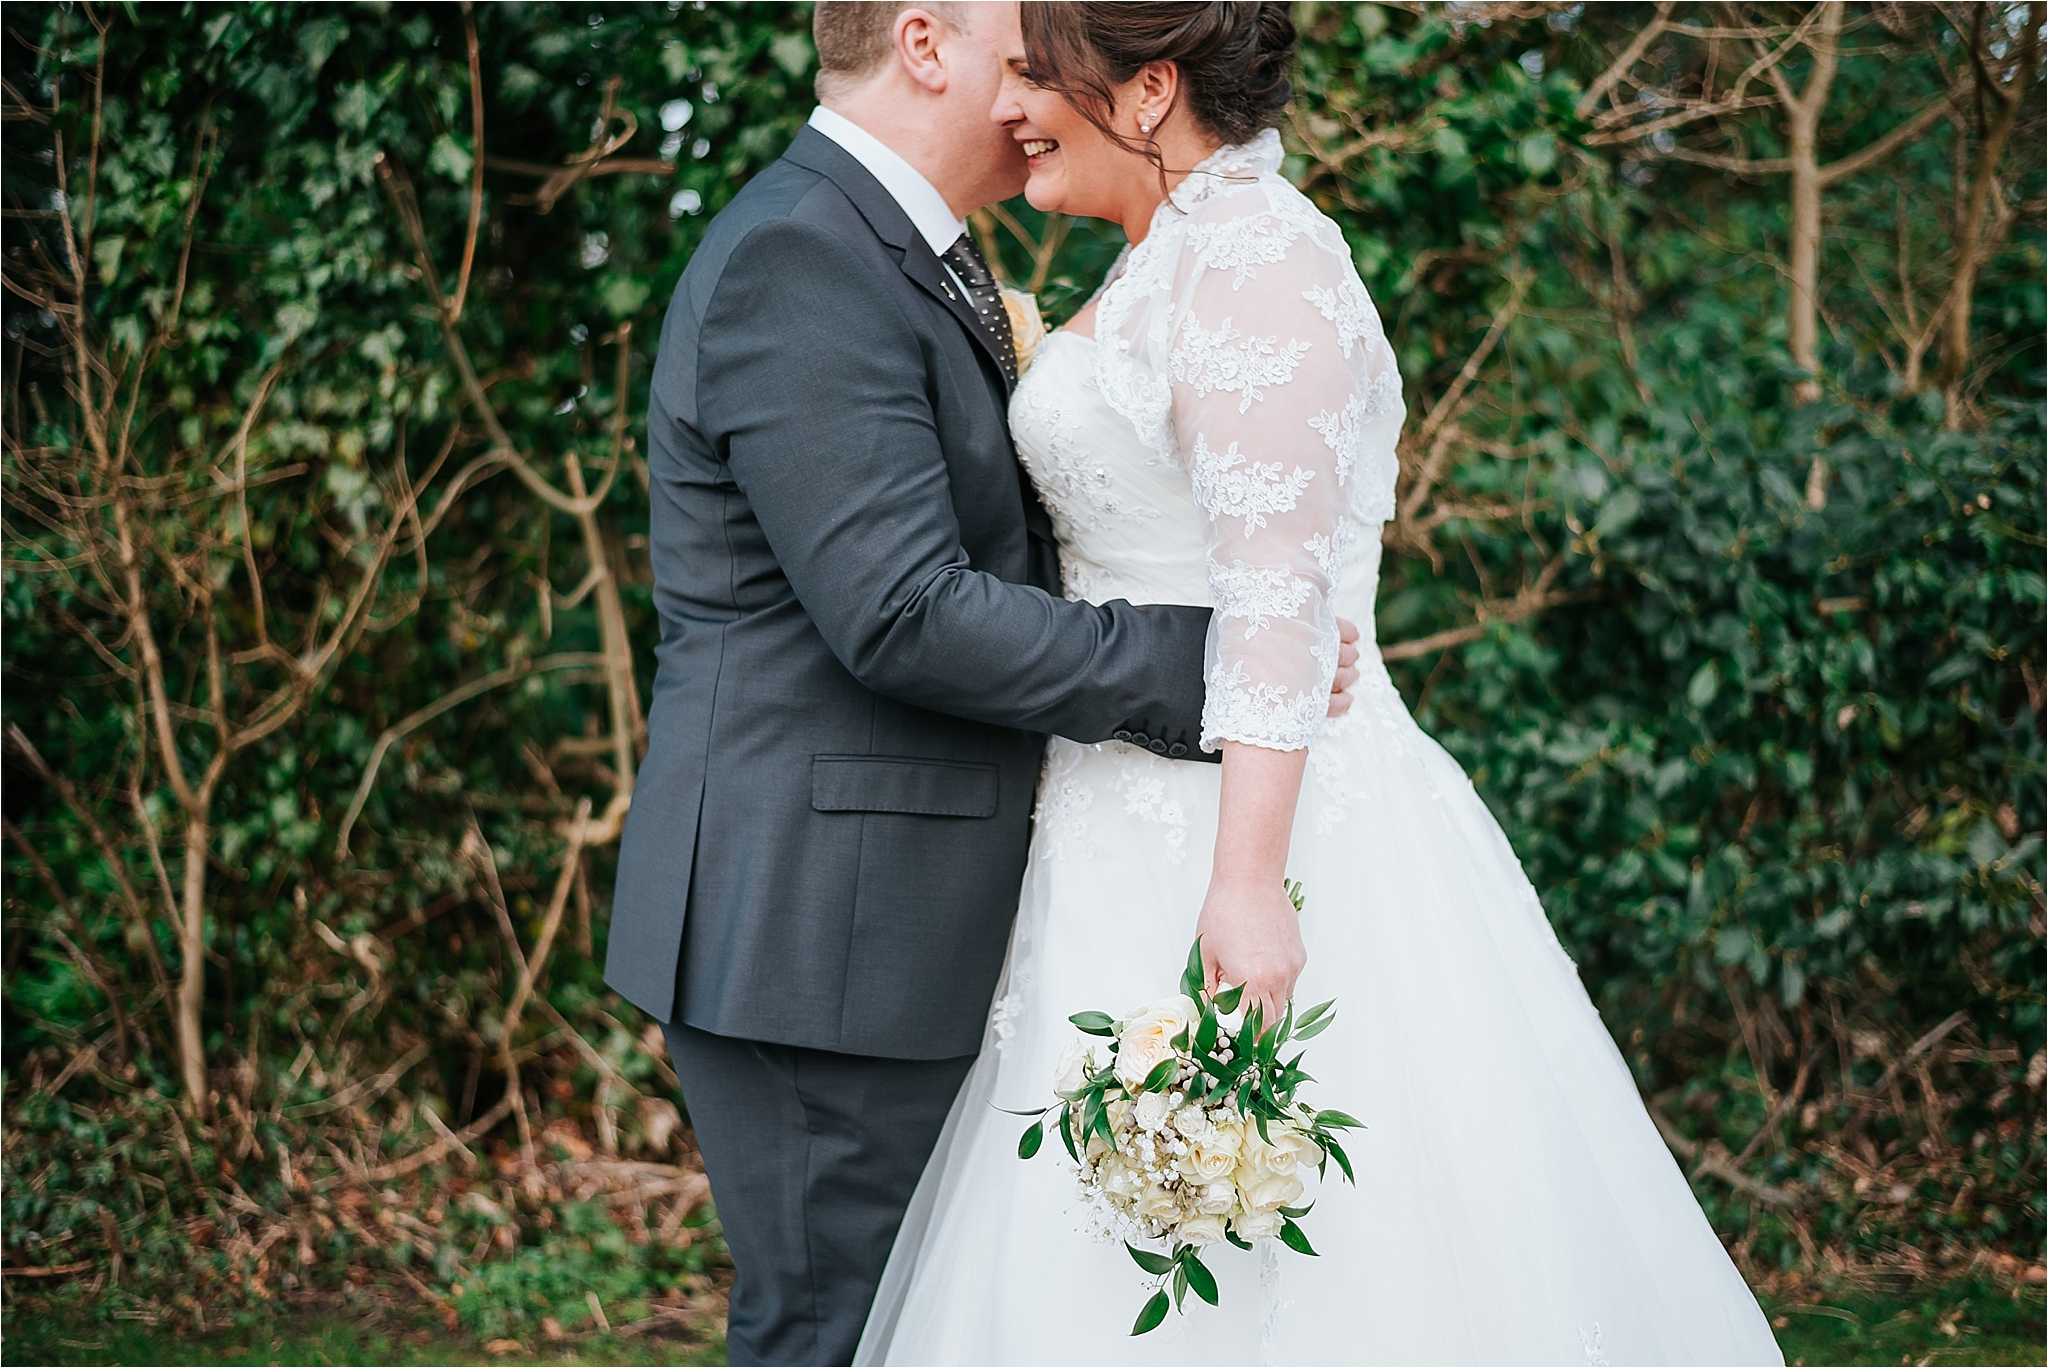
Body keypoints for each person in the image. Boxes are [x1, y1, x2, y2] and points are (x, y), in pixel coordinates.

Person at [855, 5, 1786, 1364]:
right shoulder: (1163, 257)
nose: (1011, 109)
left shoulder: (1257, 261)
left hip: (1253, 836)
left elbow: (1278, 600)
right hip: (1111, 825)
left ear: (1151, 90)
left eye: (1037, 79)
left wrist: (1244, 888)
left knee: (1297, 1240)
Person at [603, 4, 1361, 1363]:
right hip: (821, 937)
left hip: (899, 921)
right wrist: (1213, 655)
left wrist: (1267, 634)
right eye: (1021, 58)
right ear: (923, 45)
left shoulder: (899, 250)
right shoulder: (802, 259)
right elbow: (902, 612)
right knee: (840, 1332)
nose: (1037, 95)